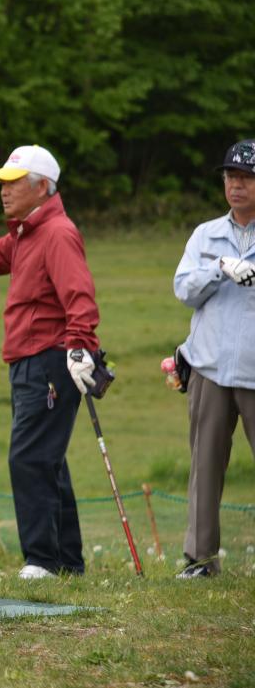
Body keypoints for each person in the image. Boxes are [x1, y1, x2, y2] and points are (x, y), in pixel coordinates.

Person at [0, 144, 99, 580]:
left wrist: (80, 345)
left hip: (50, 359)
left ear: (42, 187)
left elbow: (79, 296)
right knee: (47, 459)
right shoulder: (26, 232)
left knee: (29, 458)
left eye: (13, 183)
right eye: (2, 184)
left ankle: (43, 561)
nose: (4, 192)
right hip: (29, 358)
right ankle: (67, 562)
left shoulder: (57, 233)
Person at [171, 138, 255, 578]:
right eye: (231, 177)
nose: (237, 185)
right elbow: (183, 289)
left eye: (246, 178)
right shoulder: (207, 234)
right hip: (210, 368)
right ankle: (200, 559)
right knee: (205, 465)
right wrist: (218, 267)